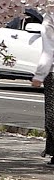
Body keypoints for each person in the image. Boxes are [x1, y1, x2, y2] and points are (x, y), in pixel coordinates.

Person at [35, 15, 54, 164]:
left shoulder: (50, 17)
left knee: (52, 116)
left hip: (52, 74)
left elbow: (48, 49)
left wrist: (40, 75)